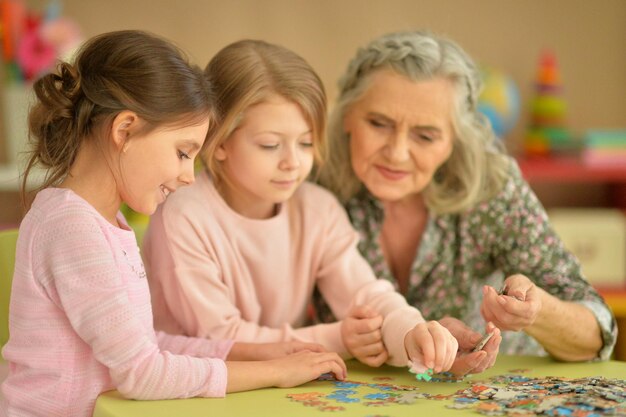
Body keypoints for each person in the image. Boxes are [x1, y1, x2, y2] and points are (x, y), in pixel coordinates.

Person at [0, 30, 347, 417]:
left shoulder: (103, 221)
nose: (188, 175)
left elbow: (146, 346)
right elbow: (142, 374)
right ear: (125, 130)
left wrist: (258, 352)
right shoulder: (72, 228)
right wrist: (272, 372)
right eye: (183, 153)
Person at [143, 39, 467, 376]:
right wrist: (338, 337)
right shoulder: (183, 215)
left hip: (281, 384)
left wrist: (410, 330)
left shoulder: (317, 209)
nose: (293, 163)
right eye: (270, 145)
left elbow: (363, 293)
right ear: (219, 141)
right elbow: (219, 339)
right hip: (193, 389)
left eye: (306, 143)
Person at [315, 30, 617, 362]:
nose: (397, 153)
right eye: (378, 123)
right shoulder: (306, 183)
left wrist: (538, 312)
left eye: (426, 136)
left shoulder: (492, 185)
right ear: (346, 115)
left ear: (455, 140)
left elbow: (597, 335)